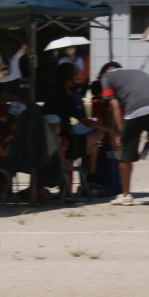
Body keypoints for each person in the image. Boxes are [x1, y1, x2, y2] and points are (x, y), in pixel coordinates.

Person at [99, 61, 149, 205]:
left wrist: (120, 132)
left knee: (124, 153)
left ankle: (126, 195)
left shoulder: (106, 77)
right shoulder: (137, 72)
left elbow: (114, 105)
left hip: (136, 107)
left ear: (107, 70)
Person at [45, 64, 114, 197]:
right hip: (62, 143)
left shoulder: (59, 93)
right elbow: (86, 121)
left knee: (93, 147)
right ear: (68, 81)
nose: (80, 79)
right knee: (99, 133)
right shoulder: (64, 97)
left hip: (64, 138)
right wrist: (110, 131)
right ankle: (89, 184)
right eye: (77, 77)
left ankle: (89, 183)